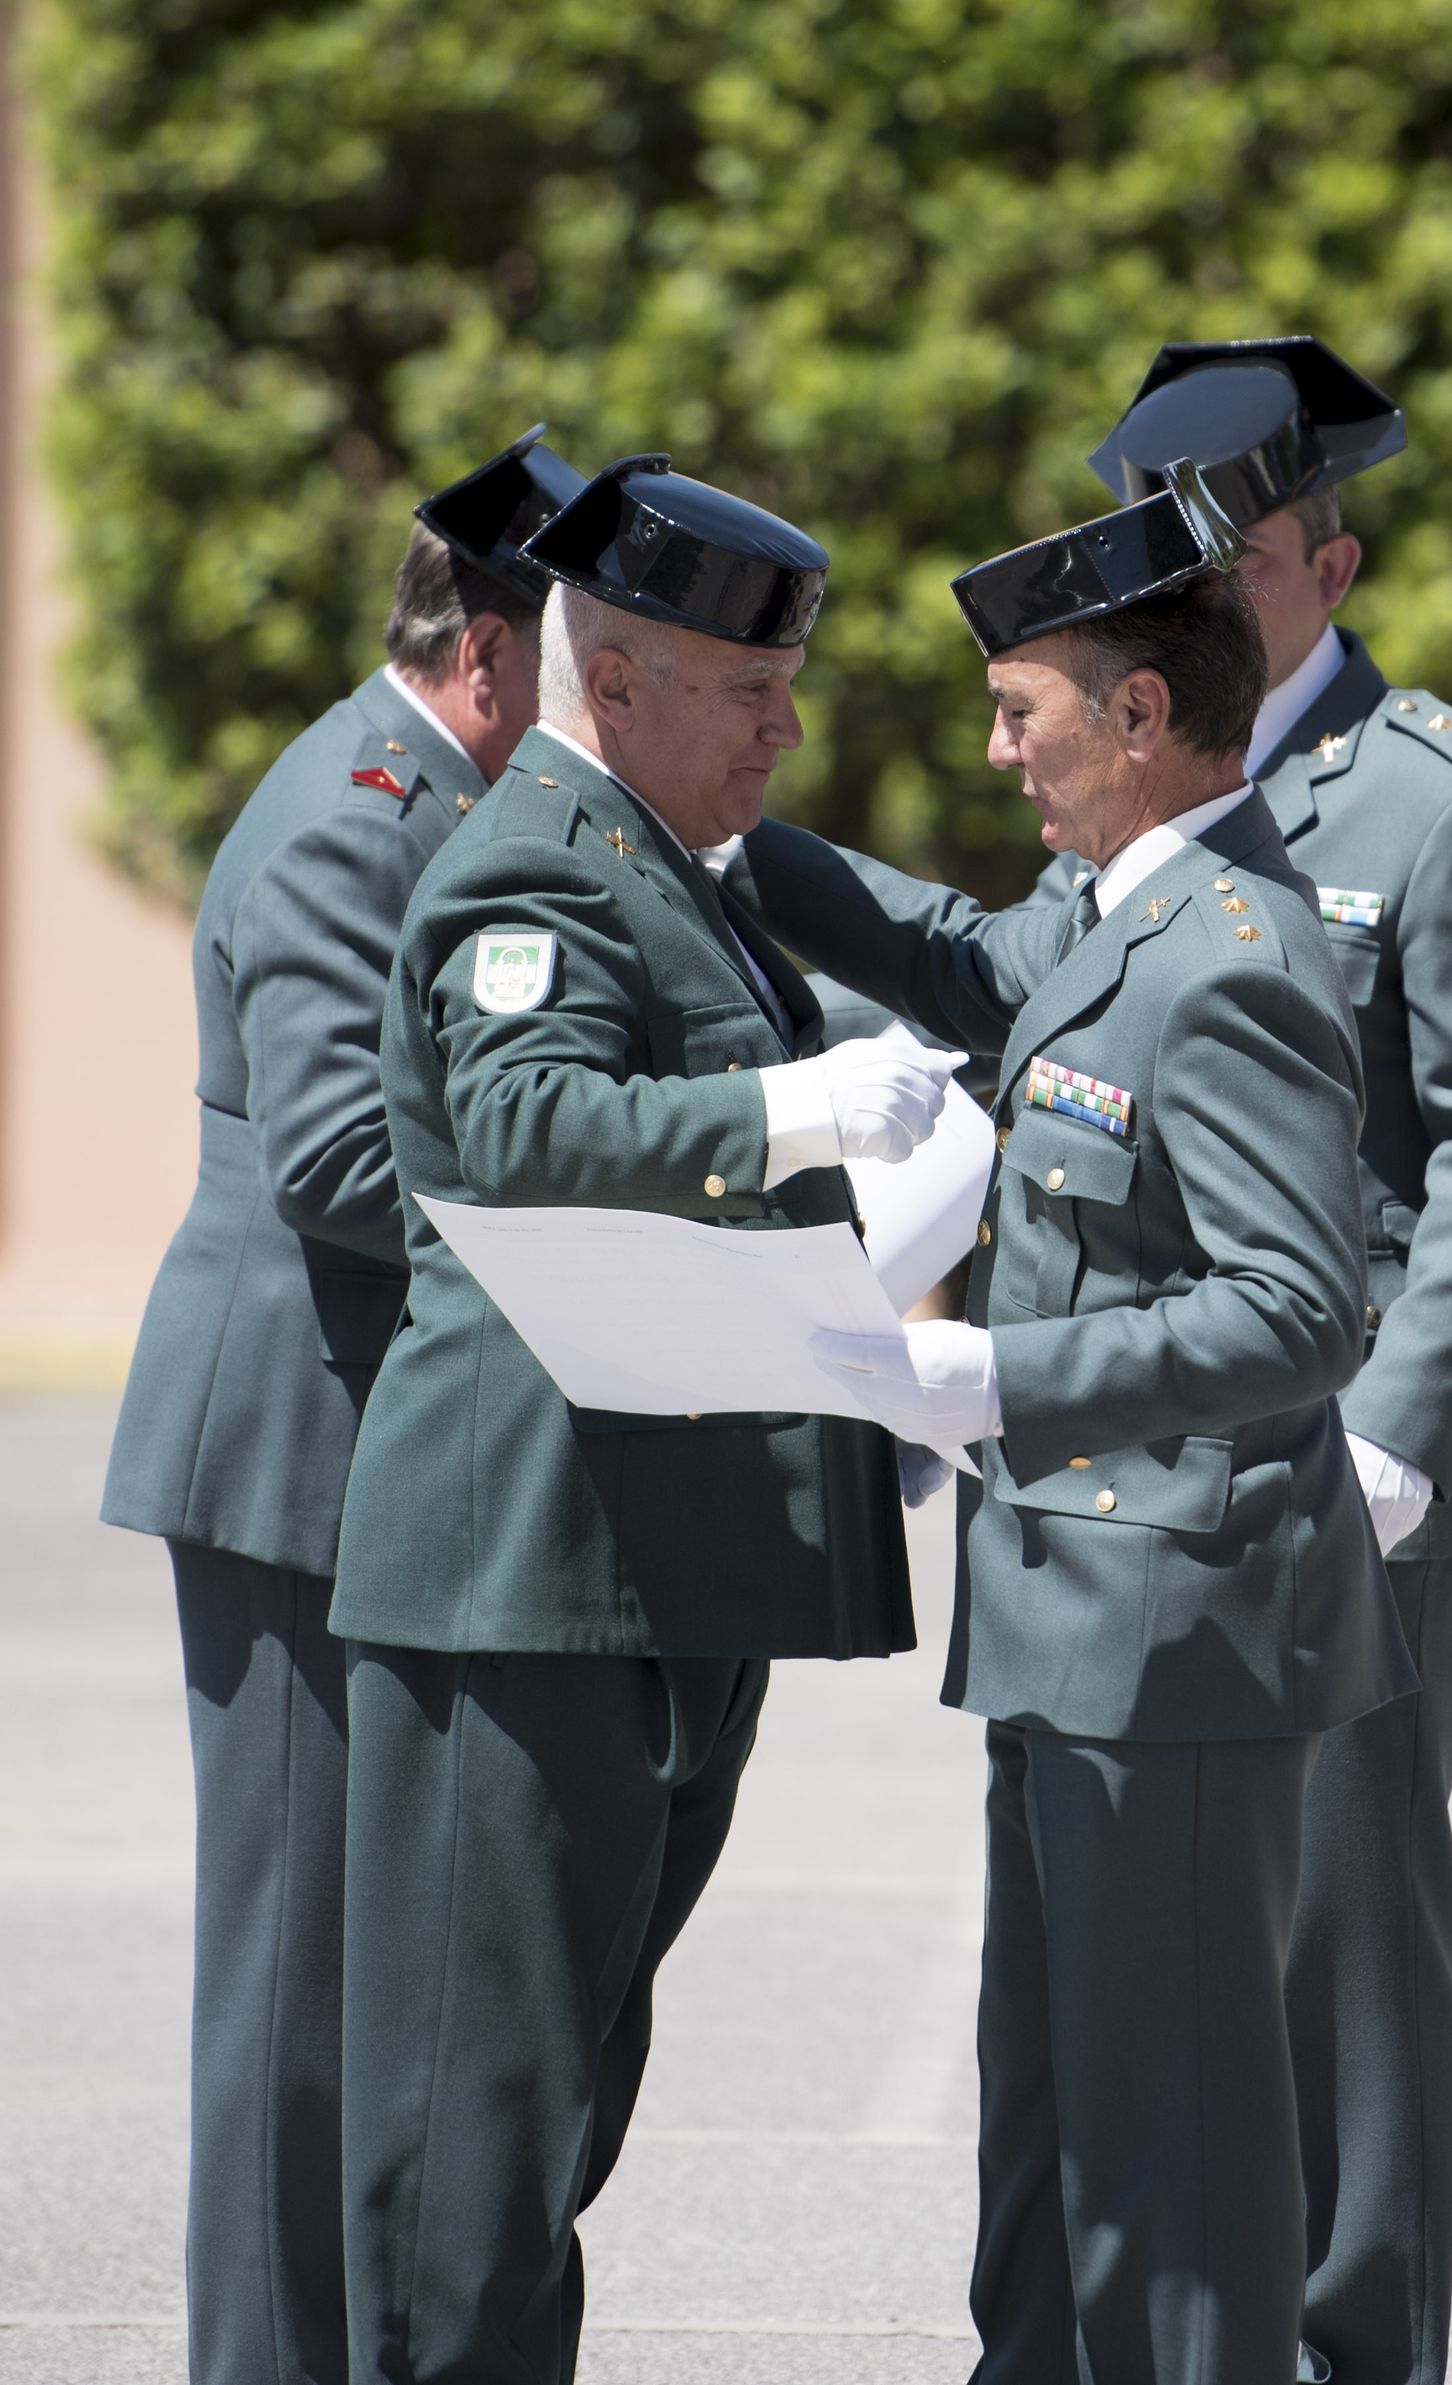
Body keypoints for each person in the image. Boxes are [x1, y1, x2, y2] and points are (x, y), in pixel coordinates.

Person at [732, 460, 1418, 2384]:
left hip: (1179, 1637)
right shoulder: (1116, 907)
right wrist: (721, 821)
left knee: (1176, 2162)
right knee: (1052, 2135)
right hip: (1073, 1617)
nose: (995, 746)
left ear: (1135, 714)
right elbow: (963, 956)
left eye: (1020, 709)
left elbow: (1297, 1308)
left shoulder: (1232, 960)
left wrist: (997, 1375)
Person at [330, 452, 959, 2385]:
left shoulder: (671, 871)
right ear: (619, 685)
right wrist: (803, 1112)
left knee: (568, 2092)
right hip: (523, 1576)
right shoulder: (531, 864)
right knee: (476, 2126)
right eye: (751, 692)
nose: (785, 727)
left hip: (636, 1577)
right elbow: (522, 1127)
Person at [1029, 337, 1452, 2385]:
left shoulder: (1432, 800)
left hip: (1357, 1466)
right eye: (1151, 545)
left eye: (1229, 553)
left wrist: (1386, 1443)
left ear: (1325, 572)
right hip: (1149, 1455)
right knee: (1159, 1942)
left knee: (1340, 1951)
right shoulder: (1121, 772)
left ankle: (1359, 2352)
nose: (1180, 583)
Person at [99, 425, 583, 2385]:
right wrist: (590, 1253)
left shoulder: (437, 795)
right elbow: (336, 1160)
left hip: (353, 1433)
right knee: (292, 1986)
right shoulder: (353, 814)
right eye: (591, 657)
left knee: (363, 1975)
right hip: (287, 1451)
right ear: (487, 655)